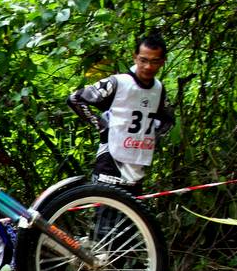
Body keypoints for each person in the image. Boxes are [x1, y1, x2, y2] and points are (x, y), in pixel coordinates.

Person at [67, 34, 174, 196]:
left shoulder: (158, 89)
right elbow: (75, 99)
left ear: (163, 61)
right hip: (109, 165)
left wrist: (154, 136)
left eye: (154, 61)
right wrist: (102, 127)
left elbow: (168, 120)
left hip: (137, 168)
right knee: (106, 211)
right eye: (143, 60)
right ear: (135, 57)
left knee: (133, 212)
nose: (148, 67)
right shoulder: (117, 82)